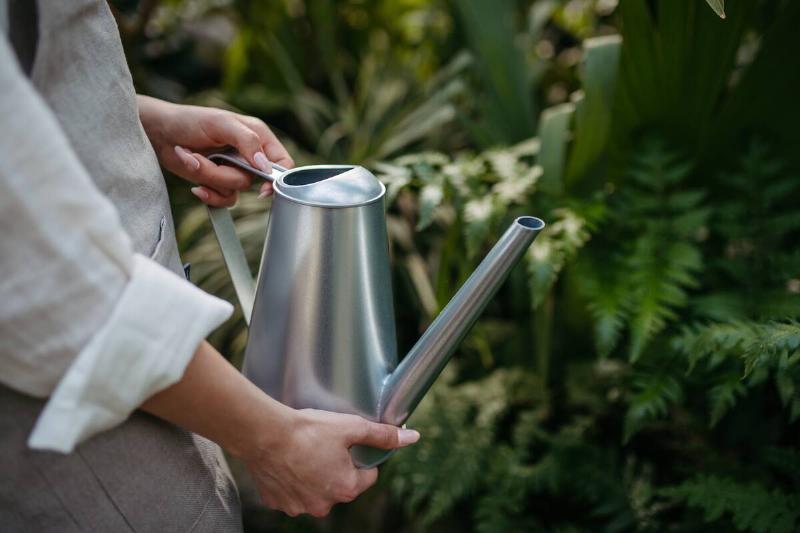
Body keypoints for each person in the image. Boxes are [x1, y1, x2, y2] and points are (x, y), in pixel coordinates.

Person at [0, 1, 419, 531]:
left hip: (151, 393)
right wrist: (272, 438)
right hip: (81, 441)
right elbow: (49, 282)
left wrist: (139, 120)